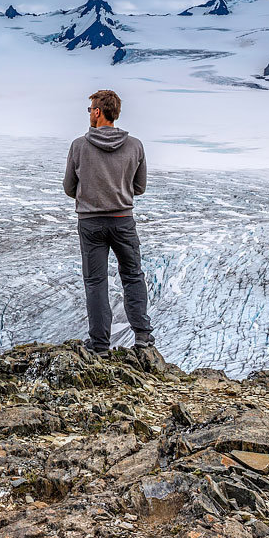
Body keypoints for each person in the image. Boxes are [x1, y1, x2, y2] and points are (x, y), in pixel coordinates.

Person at [62, 89, 154, 355]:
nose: (89, 113)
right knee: (133, 276)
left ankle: (100, 345)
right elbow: (140, 186)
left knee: (95, 282)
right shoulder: (135, 145)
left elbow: (69, 187)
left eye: (90, 109)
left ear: (98, 112)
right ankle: (143, 337)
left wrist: (91, 192)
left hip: (91, 223)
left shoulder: (79, 145)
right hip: (123, 220)